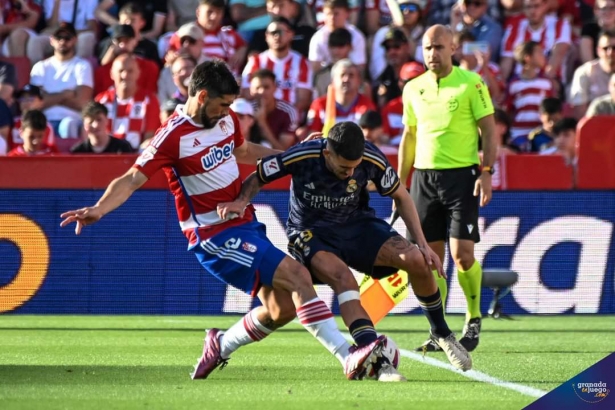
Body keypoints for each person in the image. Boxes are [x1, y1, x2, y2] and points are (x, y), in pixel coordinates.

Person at [59, 60, 384, 382]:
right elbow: (131, 178)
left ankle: (220, 345)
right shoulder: (172, 136)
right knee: (298, 275)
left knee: (280, 309)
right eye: (222, 104)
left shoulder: (225, 120)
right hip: (213, 234)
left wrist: (293, 156)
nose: (227, 110)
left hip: (244, 222)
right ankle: (348, 357)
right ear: (201, 97)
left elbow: (243, 152)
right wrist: (100, 208)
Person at [218, 121, 473, 378]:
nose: (350, 173)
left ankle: (441, 332)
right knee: (345, 279)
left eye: (354, 167)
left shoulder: (371, 157)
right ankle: (375, 359)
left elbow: (402, 196)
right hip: (311, 233)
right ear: (327, 153)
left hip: (356, 224)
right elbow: (258, 176)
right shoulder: (303, 155)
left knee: (417, 260)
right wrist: (241, 201)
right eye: (343, 167)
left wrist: (423, 244)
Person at [398, 25, 497, 352]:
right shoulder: (413, 89)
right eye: (427, 48)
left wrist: (486, 171)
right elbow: (409, 137)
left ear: (453, 48)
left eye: (439, 47)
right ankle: (439, 330)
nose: (432, 54)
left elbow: (489, 131)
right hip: (423, 181)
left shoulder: (472, 83)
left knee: (462, 255)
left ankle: (473, 317)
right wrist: (399, 185)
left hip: (461, 179)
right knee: (428, 260)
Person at [70, 102, 134, 154]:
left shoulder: (122, 148)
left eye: (99, 119)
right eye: (91, 121)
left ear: (107, 120)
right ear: (85, 125)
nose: (95, 125)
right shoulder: (78, 152)